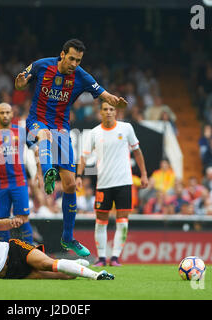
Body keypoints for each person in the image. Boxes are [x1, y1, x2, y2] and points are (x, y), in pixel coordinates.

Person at [14, 38, 127, 256]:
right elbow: (20, 84)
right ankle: (48, 174)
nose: (75, 63)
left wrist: (115, 101)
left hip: (62, 128)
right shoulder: (42, 65)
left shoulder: (81, 76)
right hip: (36, 121)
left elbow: (104, 95)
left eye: (79, 60)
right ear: (63, 54)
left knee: (69, 185)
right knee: (43, 134)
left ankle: (67, 238)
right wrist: (20, 82)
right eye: (72, 58)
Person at [76, 102, 148, 266]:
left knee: (122, 220)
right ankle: (101, 257)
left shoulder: (126, 128)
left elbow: (137, 151)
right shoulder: (94, 132)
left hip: (124, 182)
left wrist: (143, 174)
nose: (108, 112)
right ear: (100, 112)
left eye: (111, 109)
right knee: (101, 220)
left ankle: (115, 257)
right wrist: (79, 175)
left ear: (116, 112)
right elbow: (83, 157)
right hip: (103, 183)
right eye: (105, 109)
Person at [0, 103, 34, 244]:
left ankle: (30, 253)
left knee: (22, 218)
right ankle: (3, 258)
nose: (5, 115)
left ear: (12, 114)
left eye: (7, 112)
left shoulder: (21, 132)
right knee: (1, 221)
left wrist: (40, 170)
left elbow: (34, 148)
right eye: (2, 112)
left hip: (19, 181)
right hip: (1, 183)